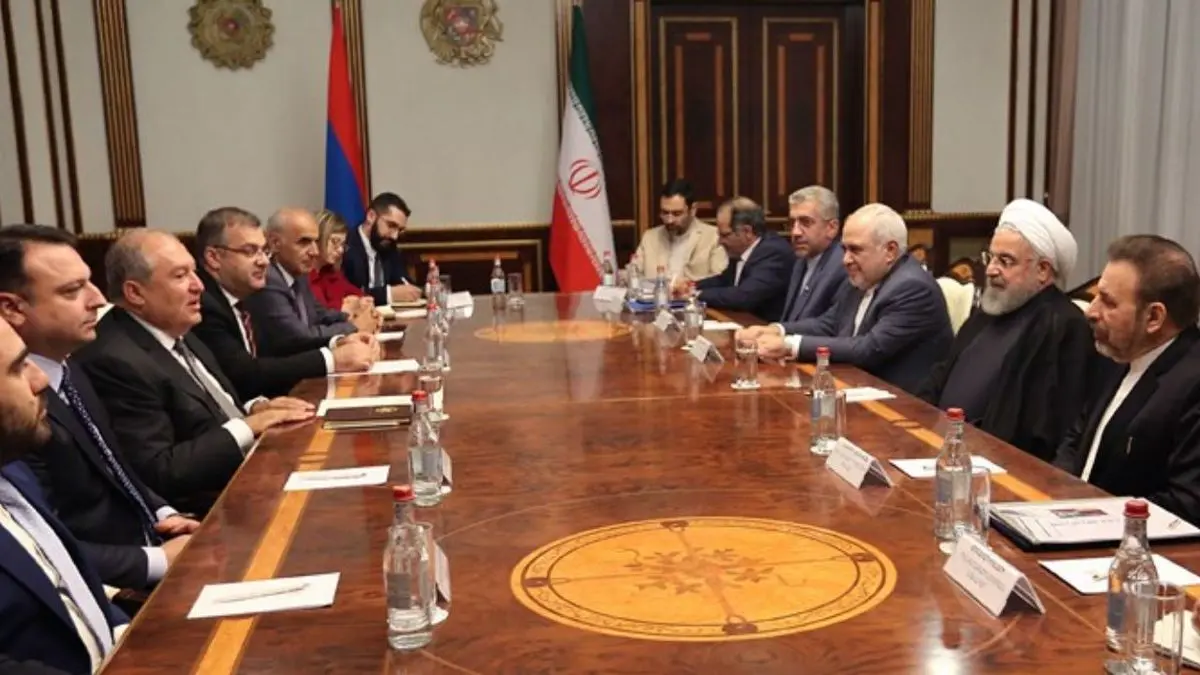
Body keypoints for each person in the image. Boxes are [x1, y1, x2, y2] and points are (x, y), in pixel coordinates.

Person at [0, 225, 199, 592]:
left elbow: (116, 465)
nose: (97, 299)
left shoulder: (70, 366)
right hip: (111, 589)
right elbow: (42, 542)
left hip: (153, 544)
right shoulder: (14, 411)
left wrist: (163, 513)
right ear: (11, 308)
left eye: (89, 282)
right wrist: (157, 561)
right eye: (72, 290)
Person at [74, 230, 314, 515]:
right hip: (217, 509)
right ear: (135, 293)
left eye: (194, 272)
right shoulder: (116, 360)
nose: (198, 286)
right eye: (180, 276)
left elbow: (208, 408)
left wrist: (256, 407)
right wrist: (248, 425)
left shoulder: (176, 327)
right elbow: (160, 470)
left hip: (254, 475)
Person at [919, 200, 1096, 461]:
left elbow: (1043, 428)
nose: (991, 270)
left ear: (1043, 270)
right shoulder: (989, 310)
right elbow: (941, 374)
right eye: (990, 257)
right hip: (943, 447)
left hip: (996, 464)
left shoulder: (1064, 326)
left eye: (1006, 261)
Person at [0, 315, 129, 675]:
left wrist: (126, 632)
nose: (40, 379)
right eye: (17, 368)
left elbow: (70, 584)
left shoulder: (13, 467)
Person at [1054, 235, 1200, 525]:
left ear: (1154, 317)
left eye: (1108, 302)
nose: (1091, 311)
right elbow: (1075, 440)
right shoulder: (1117, 353)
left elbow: (1187, 504)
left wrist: (1089, 518)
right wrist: (1055, 492)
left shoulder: (1193, 383)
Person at [745, 203, 953, 394]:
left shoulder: (911, 287)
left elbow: (867, 349)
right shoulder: (863, 277)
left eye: (855, 250)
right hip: (856, 386)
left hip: (903, 405)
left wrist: (789, 345)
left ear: (890, 251)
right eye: (844, 249)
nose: (845, 260)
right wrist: (777, 330)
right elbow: (829, 324)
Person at [191, 207, 377, 401]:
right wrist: (333, 358)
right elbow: (246, 374)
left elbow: (285, 344)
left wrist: (338, 341)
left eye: (263, 251)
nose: (264, 261)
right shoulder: (205, 306)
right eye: (250, 251)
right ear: (214, 258)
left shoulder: (242, 290)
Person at [244, 208, 359, 355]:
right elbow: (300, 337)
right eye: (304, 242)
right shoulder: (268, 280)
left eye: (315, 242)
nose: (314, 251)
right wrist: (353, 326)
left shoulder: (299, 274)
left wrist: (351, 317)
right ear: (275, 243)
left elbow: (320, 314)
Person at [682, 199, 793, 320]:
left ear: (747, 232)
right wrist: (691, 285)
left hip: (765, 326)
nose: (720, 242)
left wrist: (695, 294)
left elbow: (743, 297)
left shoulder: (774, 252)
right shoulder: (739, 252)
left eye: (725, 235)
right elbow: (724, 280)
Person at [633, 179, 727, 282]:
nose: (669, 220)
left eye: (676, 214)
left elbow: (719, 280)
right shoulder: (650, 237)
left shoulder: (714, 237)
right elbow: (634, 273)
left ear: (693, 210)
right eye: (665, 213)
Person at [777, 185, 847, 323]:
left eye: (806, 222)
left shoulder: (841, 266)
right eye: (792, 223)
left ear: (831, 228)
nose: (795, 232)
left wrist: (779, 329)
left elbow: (829, 326)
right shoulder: (800, 261)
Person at [341, 193, 421, 306]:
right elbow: (347, 294)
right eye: (391, 225)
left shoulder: (389, 246)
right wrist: (388, 294)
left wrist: (424, 288)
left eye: (400, 230)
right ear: (371, 216)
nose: (395, 236)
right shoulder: (345, 246)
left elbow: (402, 281)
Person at [309, 209, 364, 312]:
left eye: (343, 244)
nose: (340, 250)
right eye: (335, 242)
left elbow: (357, 294)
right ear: (318, 238)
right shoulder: (305, 276)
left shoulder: (330, 272)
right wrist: (343, 307)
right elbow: (319, 314)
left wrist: (363, 301)